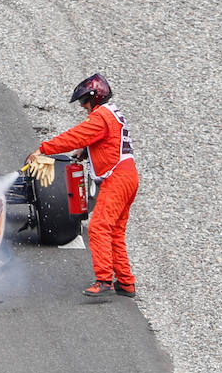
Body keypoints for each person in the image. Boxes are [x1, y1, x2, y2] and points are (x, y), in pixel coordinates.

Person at [29, 73, 139, 298]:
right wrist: (85, 152)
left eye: (83, 101)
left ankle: (104, 280)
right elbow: (103, 142)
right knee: (115, 231)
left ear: (94, 97)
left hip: (116, 180)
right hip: (128, 176)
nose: (82, 107)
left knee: (98, 228)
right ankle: (126, 283)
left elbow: (75, 136)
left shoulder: (99, 117)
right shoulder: (113, 114)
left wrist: (43, 149)